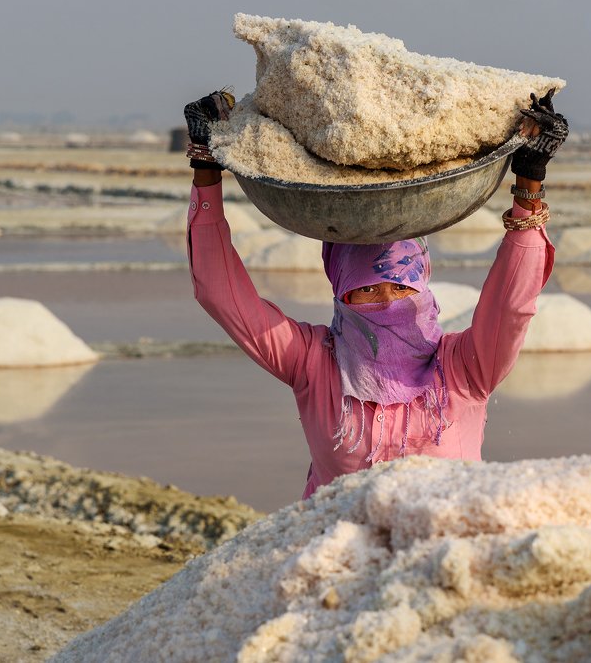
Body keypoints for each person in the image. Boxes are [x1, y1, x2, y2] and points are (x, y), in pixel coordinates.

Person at [183, 89, 566, 499]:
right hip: (340, 551)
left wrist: (528, 184)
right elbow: (220, 293)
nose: (387, 300)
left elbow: (511, 307)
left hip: (442, 553)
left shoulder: (464, 369)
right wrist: (206, 169)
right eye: (366, 289)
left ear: (423, 287)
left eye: (403, 287)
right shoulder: (313, 363)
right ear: (340, 294)